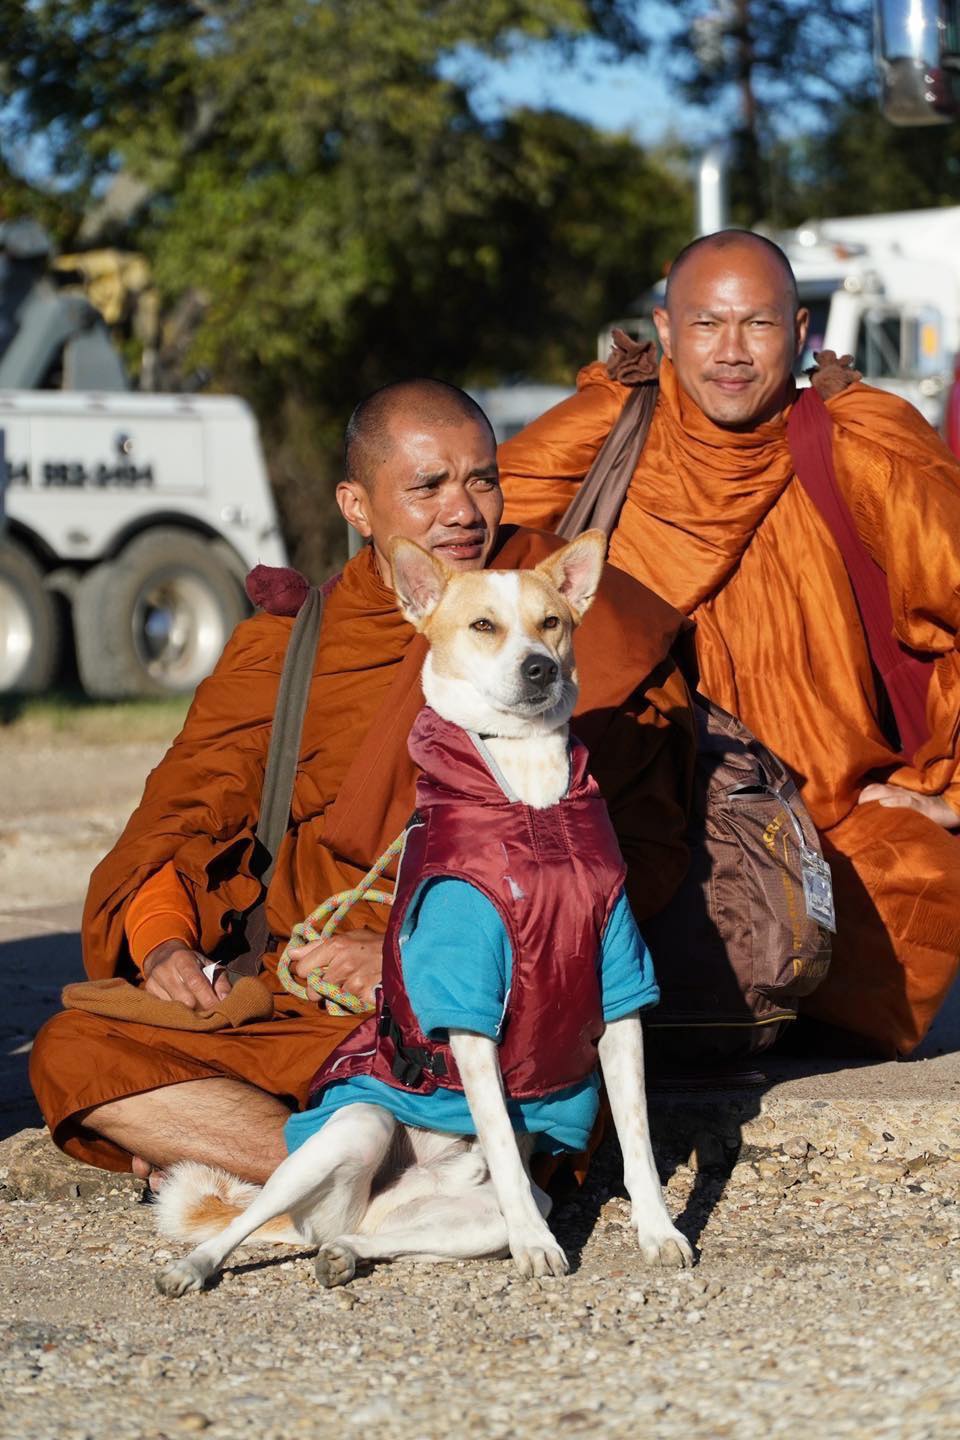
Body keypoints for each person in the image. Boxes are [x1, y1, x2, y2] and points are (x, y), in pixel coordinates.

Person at [30, 379, 694, 1183]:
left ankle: (297, 1162)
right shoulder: (290, 649)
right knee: (74, 1051)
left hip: (476, 997)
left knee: (470, 1060)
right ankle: (363, 1171)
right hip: (304, 999)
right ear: (357, 505)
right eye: (427, 487)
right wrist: (167, 944)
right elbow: (183, 819)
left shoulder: (551, 611)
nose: (463, 511)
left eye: (481, 478)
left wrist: (405, 957)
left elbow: (633, 856)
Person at [499, 229, 960, 1059]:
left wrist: (947, 789)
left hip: (819, 818)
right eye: (707, 326)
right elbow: (471, 545)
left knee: (920, 882)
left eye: (759, 325)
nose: (733, 353)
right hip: (633, 804)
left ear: (803, 330)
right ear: (666, 330)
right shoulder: (611, 428)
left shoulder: (855, 439)